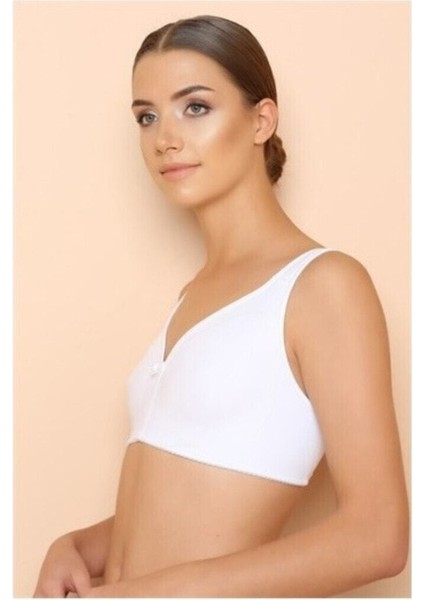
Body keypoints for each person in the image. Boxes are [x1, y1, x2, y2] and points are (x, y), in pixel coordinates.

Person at [33, 15, 409, 598]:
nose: (165, 139)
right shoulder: (195, 293)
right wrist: (79, 546)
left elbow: (377, 536)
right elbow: (189, 506)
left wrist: (145, 594)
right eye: (146, 117)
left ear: (262, 120)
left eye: (196, 107)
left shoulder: (323, 286)